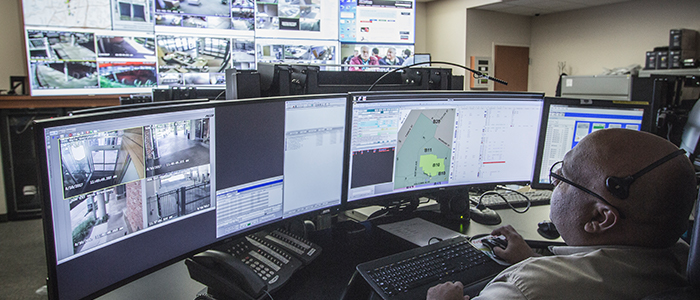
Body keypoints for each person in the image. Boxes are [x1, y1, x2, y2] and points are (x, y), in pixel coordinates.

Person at [427, 128, 696, 300]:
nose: (555, 182)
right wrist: (530, 259)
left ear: (599, 219)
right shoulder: (681, 259)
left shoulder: (524, 291)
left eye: (563, 177)